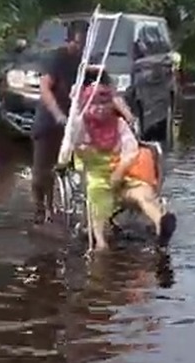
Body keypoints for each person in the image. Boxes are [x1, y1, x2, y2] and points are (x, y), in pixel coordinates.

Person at [31, 26, 134, 228]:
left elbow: (111, 93)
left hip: (77, 121)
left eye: (86, 44)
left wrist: (128, 114)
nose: (81, 48)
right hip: (50, 119)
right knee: (41, 171)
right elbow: (45, 88)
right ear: (69, 41)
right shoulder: (57, 58)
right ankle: (40, 210)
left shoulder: (89, 62)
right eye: (78, 43)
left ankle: (88, 210)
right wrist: (58, 114)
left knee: (78, 164)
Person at [73, 83, 176, 251]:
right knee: (98, 193)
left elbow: (131, 151)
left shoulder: (119, 125)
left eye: (104, 103)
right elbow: (75, 147)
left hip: (123, 176)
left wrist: (119, 171)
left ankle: (161, 225)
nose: (100, 108)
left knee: (143, 194)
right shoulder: (81, 126)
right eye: (94, 104)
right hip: (97, 175)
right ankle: (101, 242)